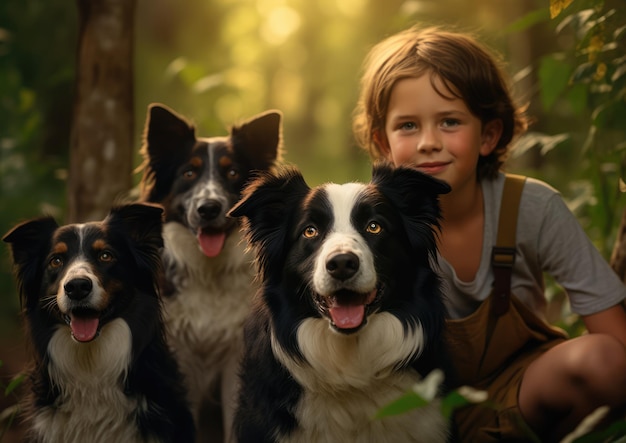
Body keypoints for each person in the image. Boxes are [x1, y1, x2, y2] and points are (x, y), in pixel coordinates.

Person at [353, 25, 626, 442]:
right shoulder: (368, 227)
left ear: (489, 135)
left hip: (524, 391)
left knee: (605, 360)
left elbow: (616, 340)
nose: (428, 142)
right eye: (407, 125)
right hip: (406, 407)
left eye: (449, 121)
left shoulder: (532, 208)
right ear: (383, 142)